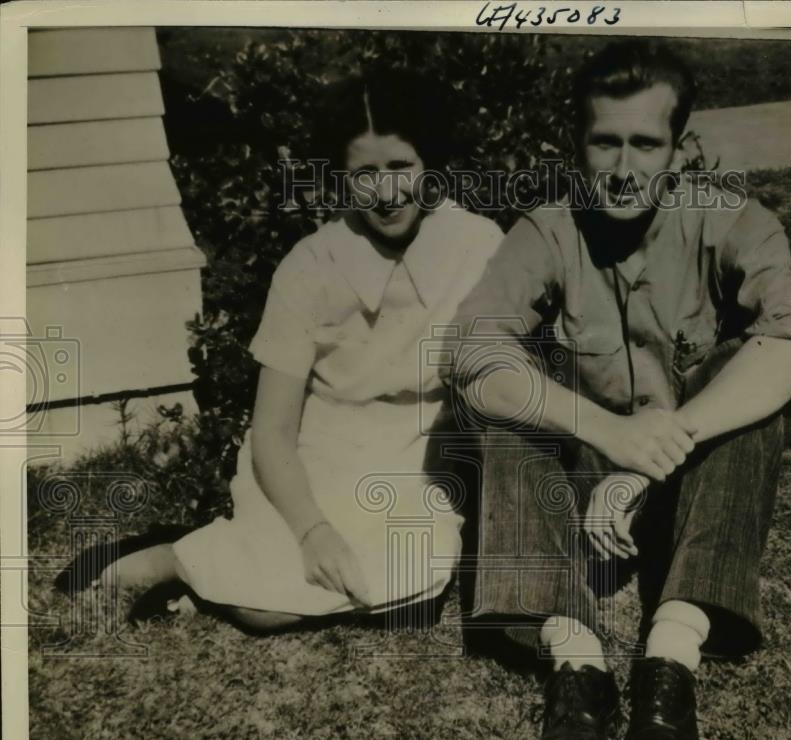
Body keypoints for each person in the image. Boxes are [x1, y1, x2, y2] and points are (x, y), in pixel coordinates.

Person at [441, 42, 791, 740]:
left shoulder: (734, 219)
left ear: (681, 150)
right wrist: (614, 435)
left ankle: (671, 655)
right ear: (575, 145)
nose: (623, 167)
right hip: (580, 486)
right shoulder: (548, 228)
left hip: (690, 488)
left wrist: (658, 452)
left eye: (645, 143)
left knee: (746, 374)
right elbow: (471, 353)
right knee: (509, 389)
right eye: (604, 141)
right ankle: (576, 666)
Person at [84, 68, 504, 629]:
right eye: (365, 174)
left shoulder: (477, 245)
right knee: (264, 609)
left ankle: (221, 556)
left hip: (417, 463)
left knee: (413, 590)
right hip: (317, 459)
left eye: (402, 167)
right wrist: (313, 531)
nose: (386, 193)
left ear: (429, 165)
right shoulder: (310, 265)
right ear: (341, 178)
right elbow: (273, 430)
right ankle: (175, 560)